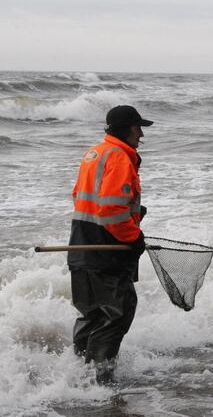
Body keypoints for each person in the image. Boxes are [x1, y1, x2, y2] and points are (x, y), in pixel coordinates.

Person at [67, 105, 151, 383]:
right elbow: (111, 209)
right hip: (107, 249)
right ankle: (101, 382)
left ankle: (80, 375)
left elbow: (80, 195)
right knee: (118, 312)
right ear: (127, 128)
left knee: (91, 313)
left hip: (82, 243)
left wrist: (134, 214)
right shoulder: (119, 157)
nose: (141, 135)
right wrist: (133, 236)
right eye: (138, 128)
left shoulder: (95, 153)